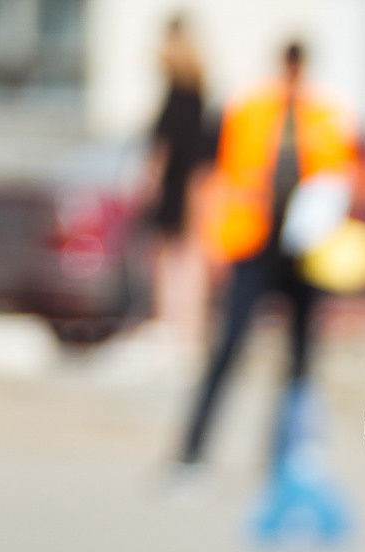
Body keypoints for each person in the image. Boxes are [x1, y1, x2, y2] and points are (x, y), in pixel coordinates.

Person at [173, 41, 357, 474]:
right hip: (252, 246)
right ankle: (190, 455)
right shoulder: (249, 109)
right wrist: (212, 242)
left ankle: (286, 460)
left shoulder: (327, 115)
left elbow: (343, 177)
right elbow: (216, 175)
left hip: (305, 254)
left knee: (300, 361)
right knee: (228, 350)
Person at [144, 14, 211, 337]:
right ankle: (188, 319)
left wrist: (152, 176)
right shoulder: (197, 84)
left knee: (167, 252)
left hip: (175, 179)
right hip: (192, 177)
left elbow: (165, 142)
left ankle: (169, 318)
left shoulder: (176, 88)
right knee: (187, 250)